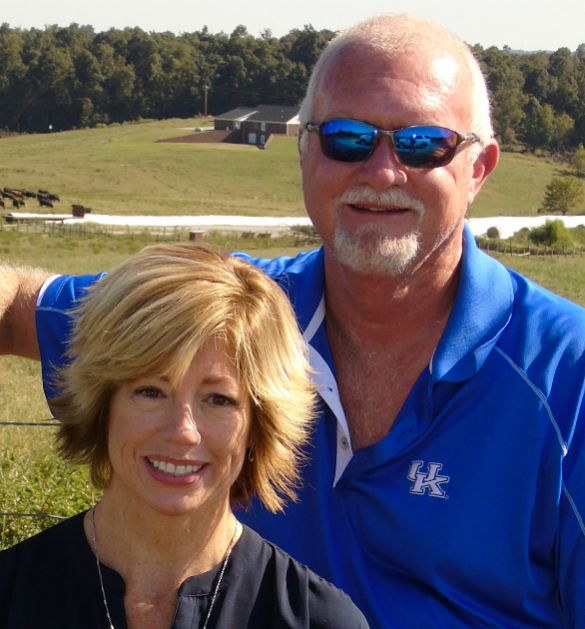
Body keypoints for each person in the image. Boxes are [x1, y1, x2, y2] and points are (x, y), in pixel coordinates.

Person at [0, 12, 584, 629]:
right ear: (305, 147)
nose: (382, 171)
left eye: (422, 144)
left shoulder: (565, 377)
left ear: (479, 169)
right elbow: (16, 307)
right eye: (347, 138)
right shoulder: (226, 318)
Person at [0, 243, 369, 629]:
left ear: (258, 427)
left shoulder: (320, 620)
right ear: (102, 404)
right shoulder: (11, 595)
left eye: (219, 400)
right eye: (150, 392)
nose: (182, 431)